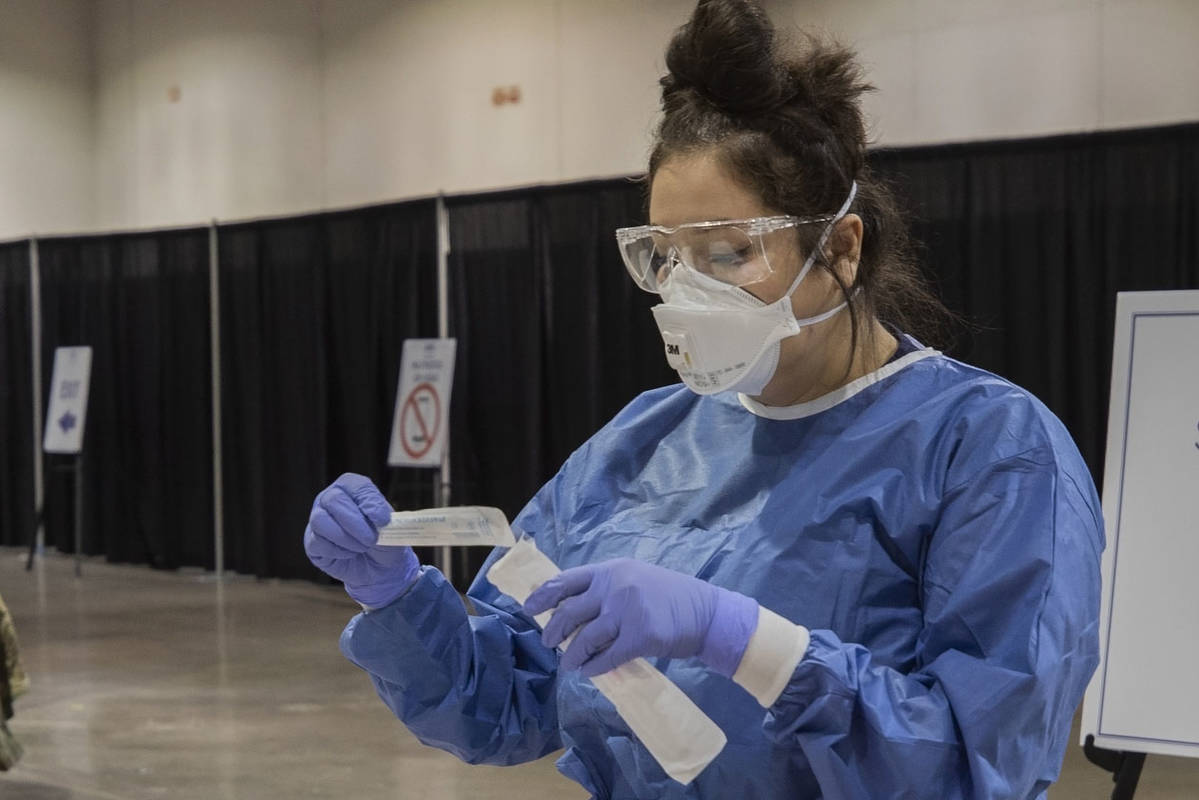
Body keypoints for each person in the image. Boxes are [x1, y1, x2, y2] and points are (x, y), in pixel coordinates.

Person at [303, 1, 1103, 797]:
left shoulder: (988, 450)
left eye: (727, 252)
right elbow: (508, 700)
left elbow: (973, 767)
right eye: (666, 257)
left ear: (841, 248)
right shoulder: (642, 443)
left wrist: (741, 638)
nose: (688, 292)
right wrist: (398, 595)